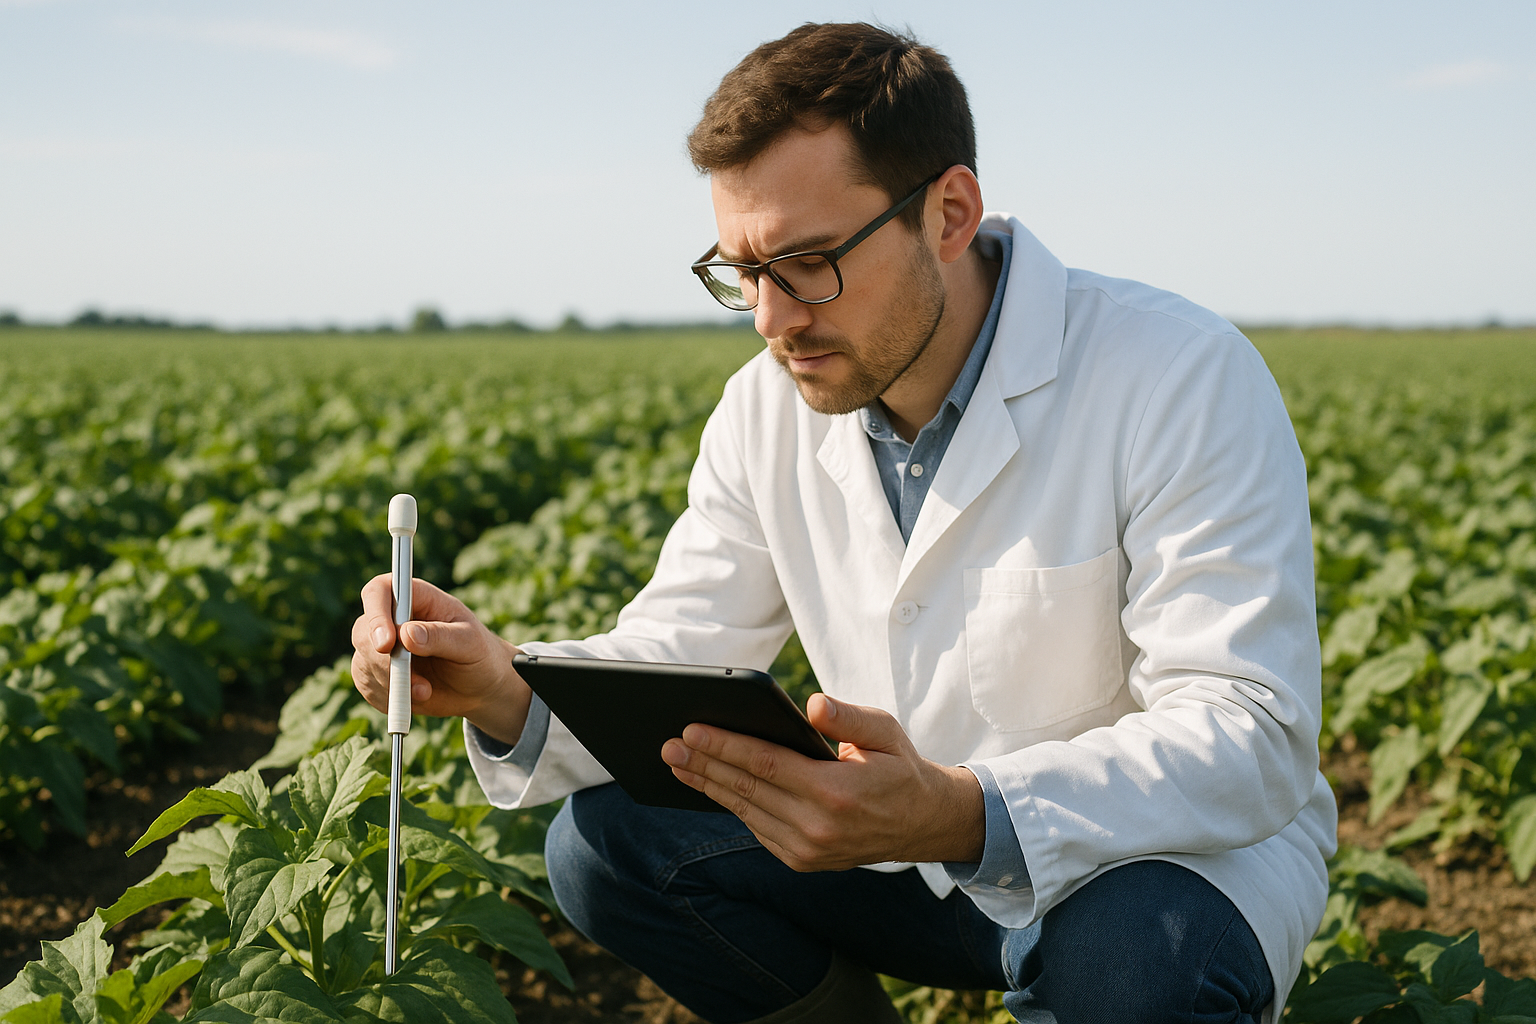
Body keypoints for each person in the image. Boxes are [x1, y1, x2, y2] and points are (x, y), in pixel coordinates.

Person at [351, 22, 1336, 1024]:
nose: (773, 318)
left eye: (809, 261)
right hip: (896, 851)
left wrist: (963, 806)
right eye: (742, 272)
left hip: (1141, 863)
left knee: (1132, 967)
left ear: (948, 212)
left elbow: (1248, 731)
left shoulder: (1176, 373)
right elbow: (683, 644)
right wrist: (500, 681)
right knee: (604, 846)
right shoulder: (763, 406)